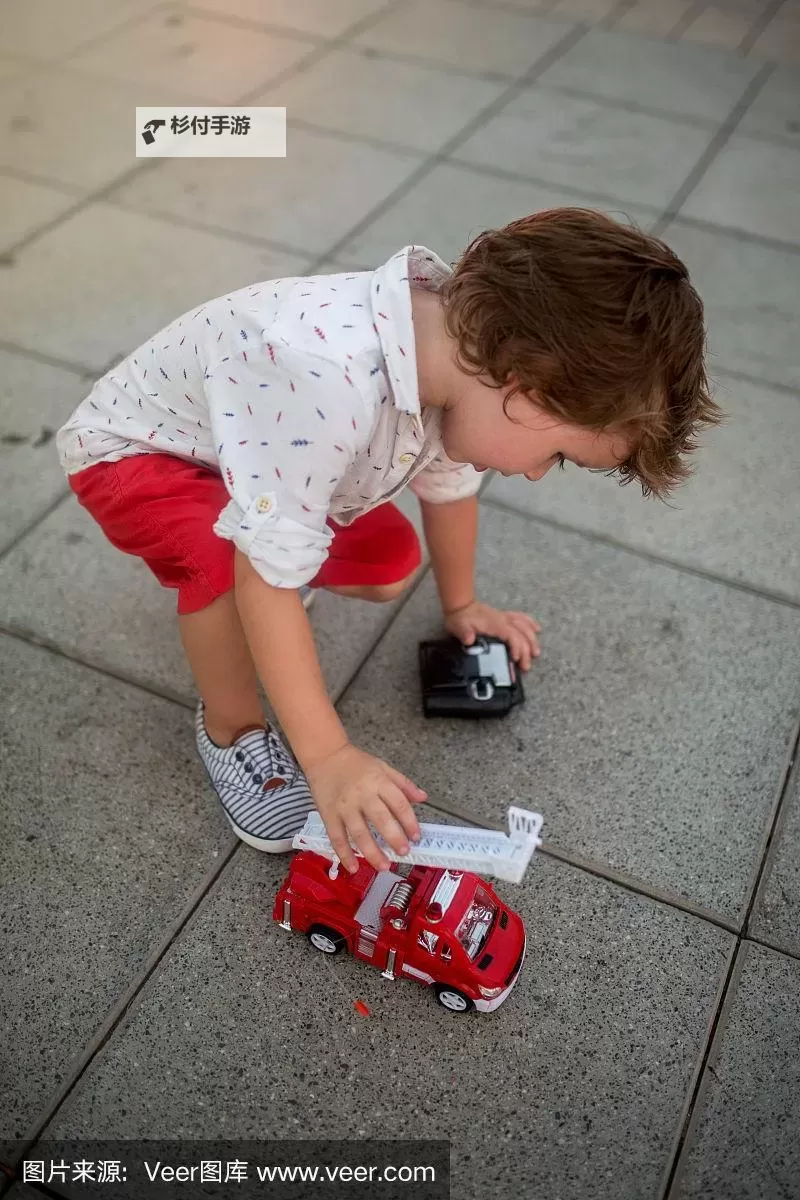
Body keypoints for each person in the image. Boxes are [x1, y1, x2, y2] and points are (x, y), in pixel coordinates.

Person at [56, 208, 721, 876]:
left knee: (389, 564)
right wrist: (329, 758)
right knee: (228, 567)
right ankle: (233, 735)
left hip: (253, 454)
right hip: (137, 456)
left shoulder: (456, 357)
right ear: (526, 390)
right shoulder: (326, 376)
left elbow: (451, 487)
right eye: (558, 454)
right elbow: (263, 570)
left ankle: (270, 589)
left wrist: (462, 606)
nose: (539, 472)